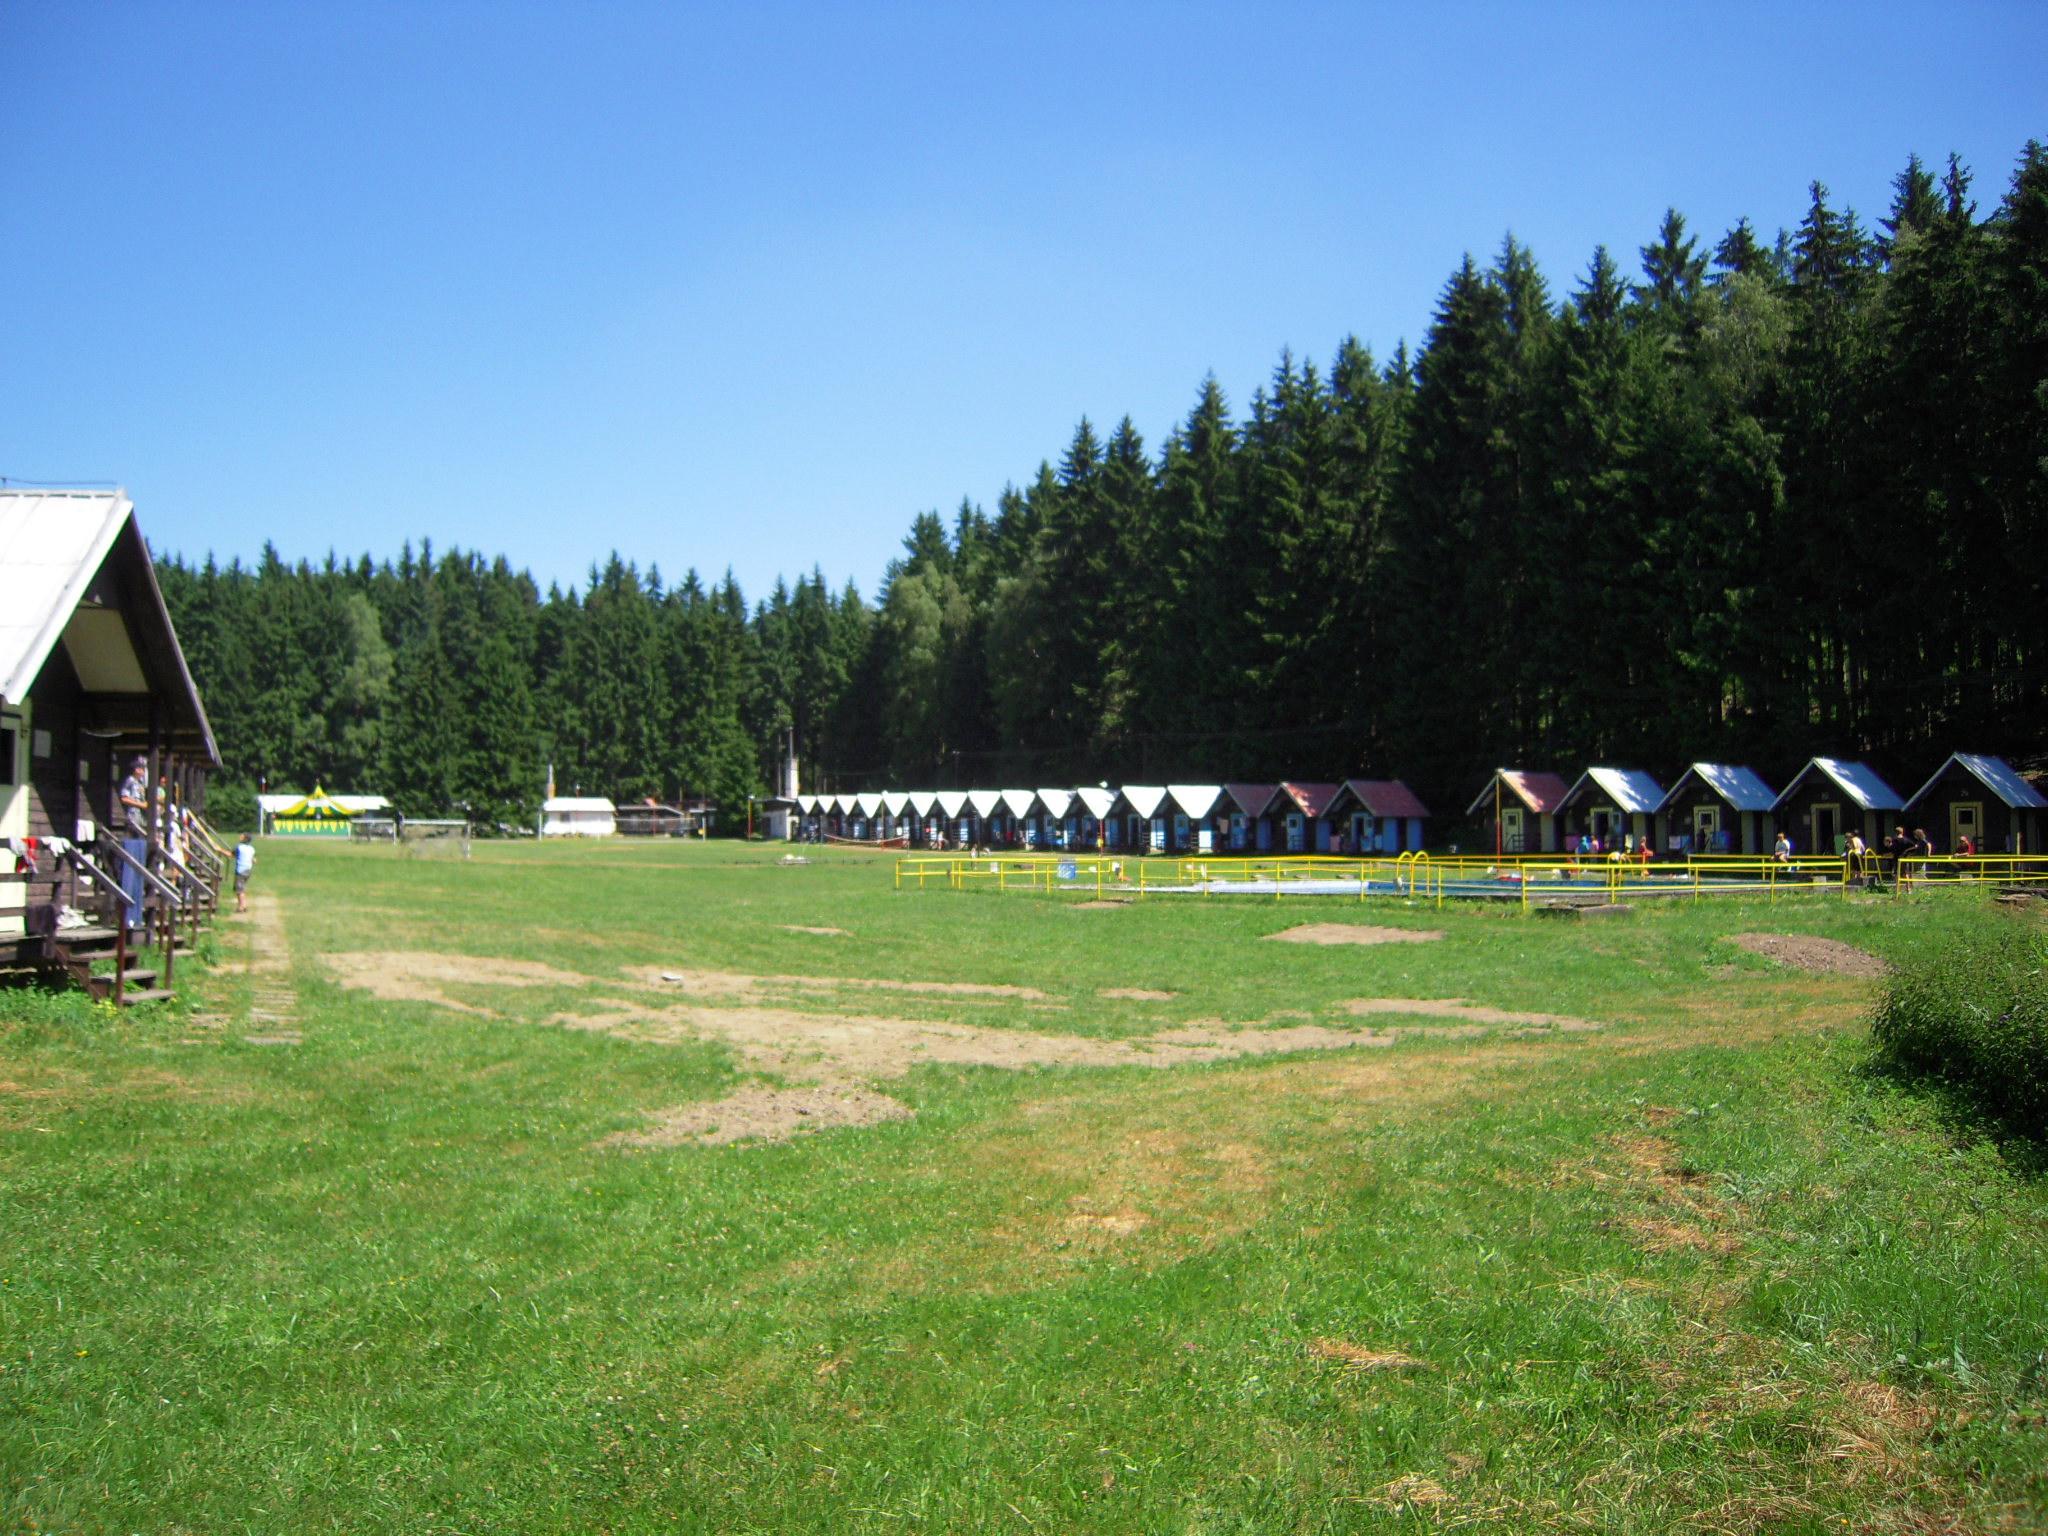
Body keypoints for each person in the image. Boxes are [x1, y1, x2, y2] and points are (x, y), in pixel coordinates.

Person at [117, 755, 149, 929]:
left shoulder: (139, 783)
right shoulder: (130, 781)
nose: (142, 771)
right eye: (140, 768)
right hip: (132, 815)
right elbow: (124, 798)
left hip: (139, 816)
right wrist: (140, 805)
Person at [233, 833, 256, 913]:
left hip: (240, 871)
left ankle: (241, 907)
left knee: (239, 890)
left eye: (241, 836)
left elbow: (231, 854)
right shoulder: (251, 849)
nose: (239, 837)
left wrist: (219, 850)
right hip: (248, 870)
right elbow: (253, 859)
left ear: (244, 839)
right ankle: (243, 905)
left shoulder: (239, 847)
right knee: (241, 888)